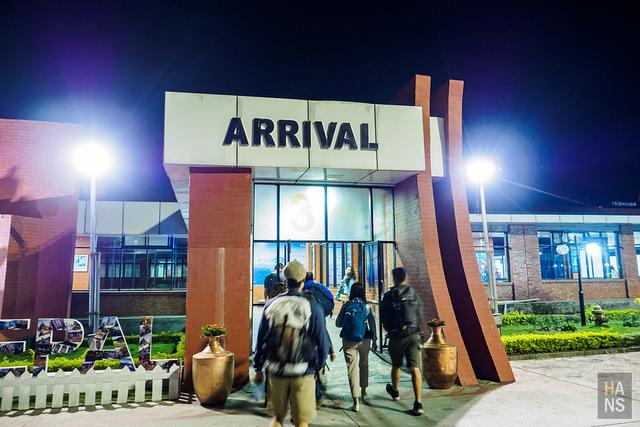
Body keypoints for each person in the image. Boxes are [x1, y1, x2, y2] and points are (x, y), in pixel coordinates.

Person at [254, 260, 329, 427]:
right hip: (303, 370)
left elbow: (261, 339)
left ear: (285, 280)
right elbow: (322, 340)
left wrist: (258, 367)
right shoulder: (312, 305)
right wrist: (318, 366)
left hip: (276, 369)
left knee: (277, 418)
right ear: (303, 280)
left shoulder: (271, 304)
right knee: (301, 421)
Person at [380, 267, 424, 416]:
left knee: (396, 365)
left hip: (397, 336)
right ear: (405, 277)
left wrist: (390, 330)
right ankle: (418, 403)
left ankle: (395, 391)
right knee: (415, 368)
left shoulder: (389, 296)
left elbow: (384, 317)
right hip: (414, 335)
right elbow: (419, 313)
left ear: (394, 278)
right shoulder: (413, 293)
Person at [335, 282, 377, 412]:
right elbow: (372, 324)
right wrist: (374, 339)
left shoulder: (346, 305)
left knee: (352, 369)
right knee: (364, 364)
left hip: (349, 340)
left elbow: (338, 324)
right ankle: (364, 392)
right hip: (364, 339)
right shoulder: (366, 306)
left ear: (351, 292)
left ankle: (355, 402)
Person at [302, 272, 336, 408]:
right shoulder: (320, 287)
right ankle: (318, 393)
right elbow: (323, 334)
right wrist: (329, 351)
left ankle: (316, 395)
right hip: (321, 318)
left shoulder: (305, 291)